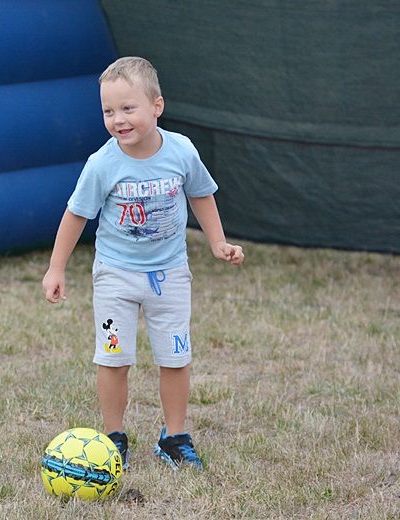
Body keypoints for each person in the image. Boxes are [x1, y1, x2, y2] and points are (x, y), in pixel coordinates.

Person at [42, 57, 244, 470]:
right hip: (115, 276)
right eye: (108, 111)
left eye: (127, 108)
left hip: (170, 275)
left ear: (157, 106)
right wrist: (56, 268)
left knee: (175, 357)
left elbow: (200, 194)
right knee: (114, 358)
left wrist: (217, 242)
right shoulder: (103, 164)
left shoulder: (182, 151)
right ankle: (114, 438)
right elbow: (76, 214)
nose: (118, 119)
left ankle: (174, 437)